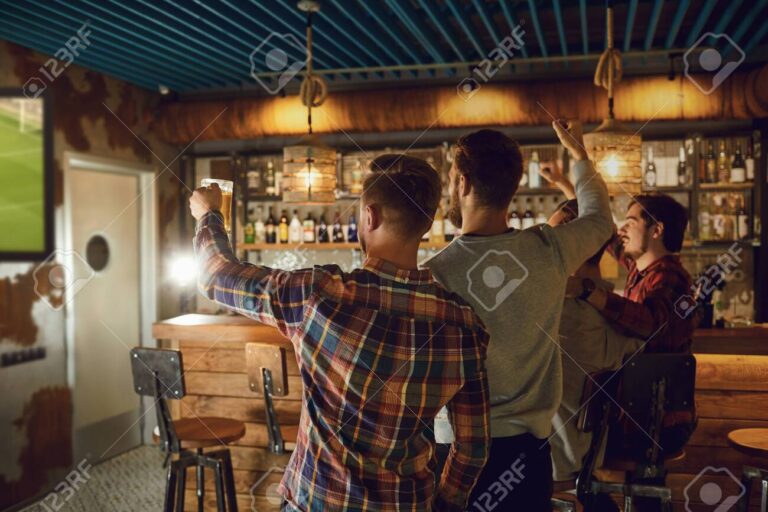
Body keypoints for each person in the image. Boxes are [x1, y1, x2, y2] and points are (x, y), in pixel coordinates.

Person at [190, 155, 491, 512]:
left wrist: (209, 215)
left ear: (370, 216)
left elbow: (216, 275)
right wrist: (445, 502)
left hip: (318, 499)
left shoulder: (320, 295)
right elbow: (473, 448)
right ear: (426, 223)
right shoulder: (464, 327)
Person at [422, 120, 613, 511]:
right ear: (513, 186)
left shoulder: (432, 275)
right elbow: (599, 220)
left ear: (461, 182)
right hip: (529, 454)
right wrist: (579, 158)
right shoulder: (548, 249)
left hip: (454, 453)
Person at [563, 192, 697, 511]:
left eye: (631, 221)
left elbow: (653, 324)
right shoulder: (642, 270)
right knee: (580, 456)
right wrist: (574, 191)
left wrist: (589, 292)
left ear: (656, 230)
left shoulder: (670, 277)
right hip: (640, 415)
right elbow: (607, 237)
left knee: (574, 454)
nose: (622, 229)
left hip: (657, 423)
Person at [545, 199, 644, 484]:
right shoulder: (616, 321)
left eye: (550, 238)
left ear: (574, 246)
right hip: (587, 459)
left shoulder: (554, 315)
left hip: (546, 464)